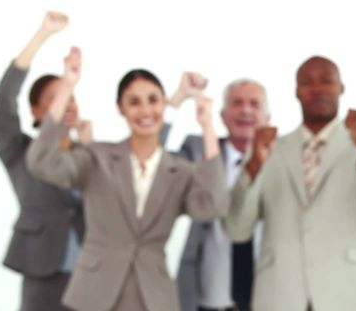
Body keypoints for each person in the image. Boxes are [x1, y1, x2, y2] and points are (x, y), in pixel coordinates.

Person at [26, 47, 227, 311]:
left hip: (153, 296)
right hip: (94, 294)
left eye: (153, 100)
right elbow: (42, 162)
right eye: (134, 102)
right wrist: (67, 86)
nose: (145, 110)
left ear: (163, 105)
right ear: (120, 108)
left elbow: (213, 206)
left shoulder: (181, 170)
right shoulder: (97, 157)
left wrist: (208, 127)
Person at [223, 56, 356, 311]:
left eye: (326, 81)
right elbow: (237, 230)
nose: (316, 89)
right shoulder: (267, 150)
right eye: (307, 82)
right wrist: (252, 167)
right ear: (296, 91)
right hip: (280, 296)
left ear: (341, 88)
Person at [0, 11, 90, 311]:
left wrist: (89, 150)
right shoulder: (20, 151)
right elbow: (3, 102)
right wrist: (42, 35)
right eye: (57, 98)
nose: (67, 104)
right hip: (42, 267)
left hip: (92, 272)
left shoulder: (88, 152)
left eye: (71, 97)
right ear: (35, 111)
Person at [169, 75, 270, 311]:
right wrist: (176, 101)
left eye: (254, 104)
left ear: (267, 117)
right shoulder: (197, 149)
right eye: (236, 103)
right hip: (208, 294)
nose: (245, 110)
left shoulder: (284, 160)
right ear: (223, 115)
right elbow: (151, 164)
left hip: (269, 296)